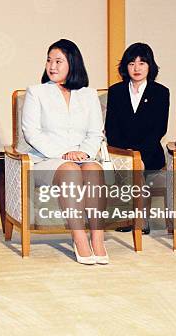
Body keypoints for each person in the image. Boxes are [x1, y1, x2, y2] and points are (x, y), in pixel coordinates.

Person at [22, 39, 108, 265]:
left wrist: (85, 153)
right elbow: (32, 133)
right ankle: (79, 239)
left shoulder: (88, 95)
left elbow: (95, 133)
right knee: (70, 169)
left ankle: (98, 240)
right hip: (46, 161)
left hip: (82, 157)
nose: (52, 66)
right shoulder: (36, 92)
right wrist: (65, 153)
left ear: (73, 63)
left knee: (93, 169)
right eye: (49, 60)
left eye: (58, 61)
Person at [105, 43, 170, 234]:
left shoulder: (160, 92)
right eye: (132, 63)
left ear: (150, 66)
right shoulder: (116, 91)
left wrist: (138, 155)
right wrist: (127, 154)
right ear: (125, 67)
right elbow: (112, 128)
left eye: (142, 63)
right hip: (122, 151)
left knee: (138, 166)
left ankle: (139, 218)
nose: (137, 68)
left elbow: (159, 129)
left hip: (149, 152)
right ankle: (130, 217)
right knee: (130, 165)